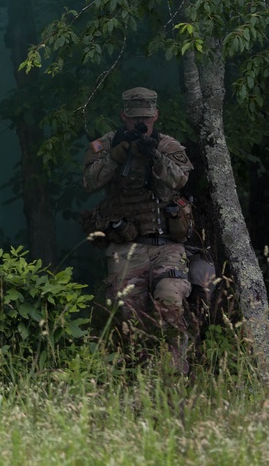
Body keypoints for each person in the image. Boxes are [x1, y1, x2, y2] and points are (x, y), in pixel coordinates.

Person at [82, 87, 198, 371]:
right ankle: (140, 382)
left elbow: (181, 180)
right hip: (126, 246)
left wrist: (155, 156)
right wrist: (117, 156)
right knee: (129, 320)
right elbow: (89, 182)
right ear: (124, 116)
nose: (140, 124)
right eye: (135, 119)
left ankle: (175, 376)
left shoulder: (168, 145)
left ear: (156, 115)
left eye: (146, 118)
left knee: (169, 302)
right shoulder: (107, 145)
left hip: (166, 245)